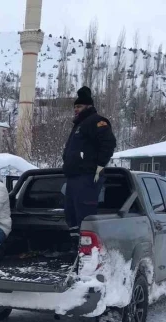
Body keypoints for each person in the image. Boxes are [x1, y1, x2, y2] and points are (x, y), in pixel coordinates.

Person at [62, 86, 117, 243]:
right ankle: (76, 250)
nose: (76, 109)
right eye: (75, 107)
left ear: (89, 106)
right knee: (71, 217)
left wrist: (99, 166)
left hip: (87, 177)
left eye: (79, 106)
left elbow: (108, 144)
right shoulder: (79, 125)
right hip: (73, 177)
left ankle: (87, 254)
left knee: (84, 218)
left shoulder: (97, 121)